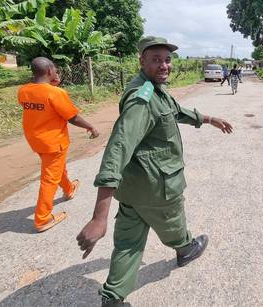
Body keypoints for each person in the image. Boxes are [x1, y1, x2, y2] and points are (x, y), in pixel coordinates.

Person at [76, 36, 234, 307]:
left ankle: (112, 298)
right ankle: (185, 249)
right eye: (156, 59)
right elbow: (118, 149)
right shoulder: (142, 99)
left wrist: (208, 119)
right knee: (172, 223)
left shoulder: (151, 88)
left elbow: (174, 111)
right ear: (142, 61)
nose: (165, 65)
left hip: (133, 189)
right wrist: (98, 217)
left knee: (127, 243)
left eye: (167, 59)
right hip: (158, 187)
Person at [18, 57, 99, 233]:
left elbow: (40, 103)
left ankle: (69, 189)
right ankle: (42, 219)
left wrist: (51, 85)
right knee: (49, 179)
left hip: (35, 140)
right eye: (55, 70)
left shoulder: (24, 90)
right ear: (49, 71)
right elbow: (72, 117)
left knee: (54, 168)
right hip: (53, 142)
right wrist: (91, 127)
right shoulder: (56, 93)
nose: (56, 73)